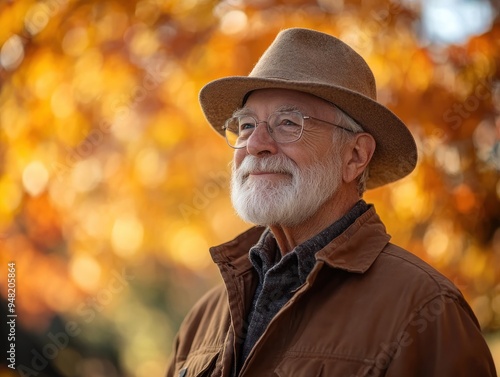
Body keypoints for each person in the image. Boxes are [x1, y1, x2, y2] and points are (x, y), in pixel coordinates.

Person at [166, 28, 497, 377]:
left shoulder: (426, 310)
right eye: (246, 125)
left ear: (355, 156)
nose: (255, 144)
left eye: (288, 123)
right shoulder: (203, 319)